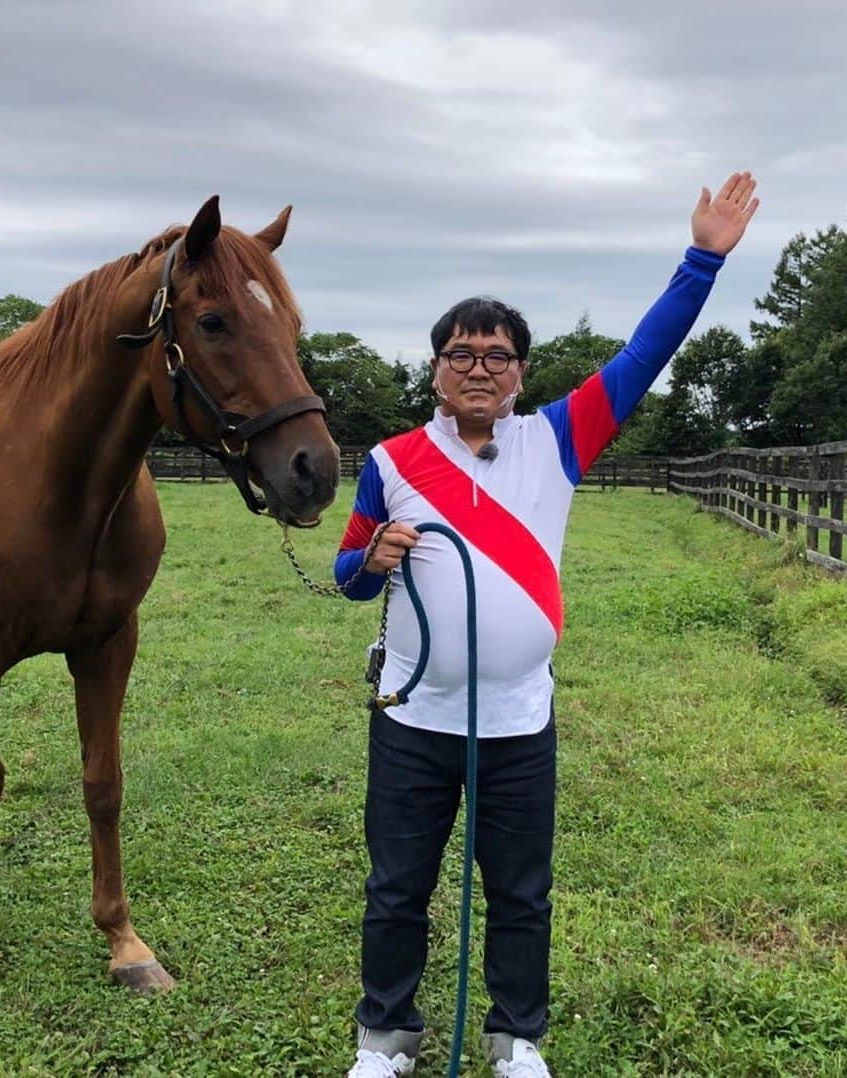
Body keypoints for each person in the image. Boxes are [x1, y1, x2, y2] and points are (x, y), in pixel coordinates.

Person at [334, 173, 759, 1077]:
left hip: (520, 721)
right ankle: (386, 1036)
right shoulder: (389, 460)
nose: (478, 367)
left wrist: (702, 261)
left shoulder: (561, 439)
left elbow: (646, 354)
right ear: (436, 370)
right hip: (413, 720)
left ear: (522, 372)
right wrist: (368, 564)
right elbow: (345, 576)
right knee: (395, 890)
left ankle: (516, 1037)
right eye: (460, 354)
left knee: (521, 893)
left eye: (496, 354)